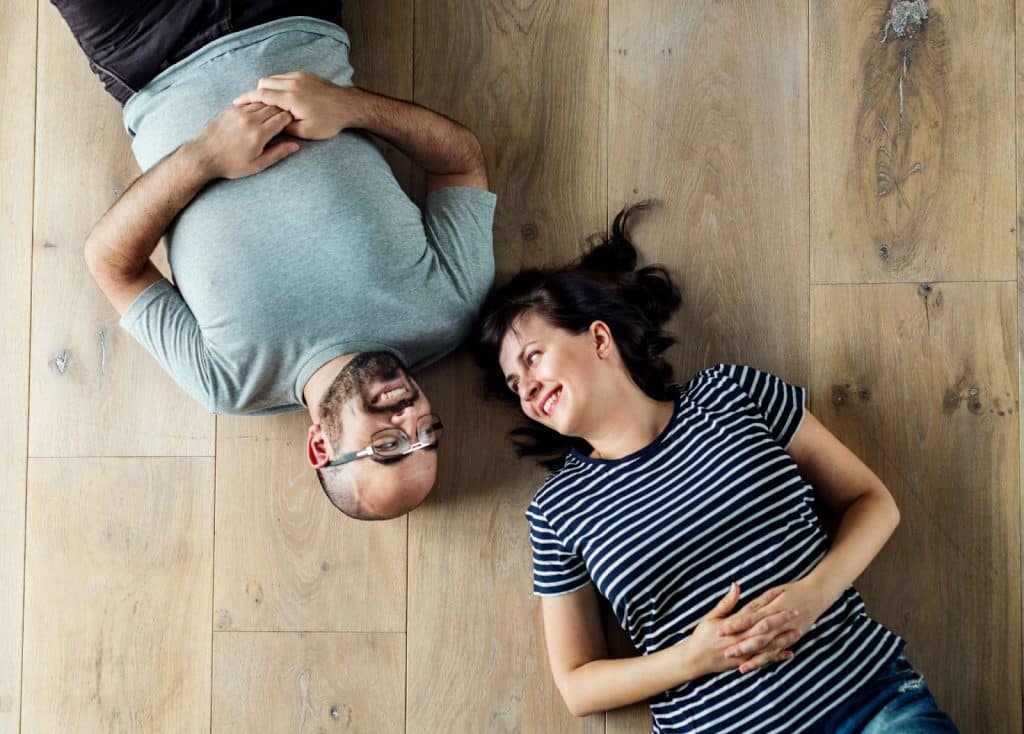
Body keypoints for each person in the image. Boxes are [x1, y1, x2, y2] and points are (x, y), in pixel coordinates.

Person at [473, 205, 958, 733]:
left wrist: (812, 598)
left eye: (533, 358)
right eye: (514, 384)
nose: (527, 388)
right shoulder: (556, 510)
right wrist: (693, 657)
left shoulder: (731, 392)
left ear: (598, 338)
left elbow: (874, 503)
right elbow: (576, 685)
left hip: (867, 703)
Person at [53, 1, 496, 520]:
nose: (410, 417)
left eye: (389, 446)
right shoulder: (449, 310)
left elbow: (111, 263)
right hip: (292, 14)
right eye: (427, 433)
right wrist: (350, 107)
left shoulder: (228, 382)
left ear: (320, 446)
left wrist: (203, 158)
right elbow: (460, 164)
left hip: (146, 51)